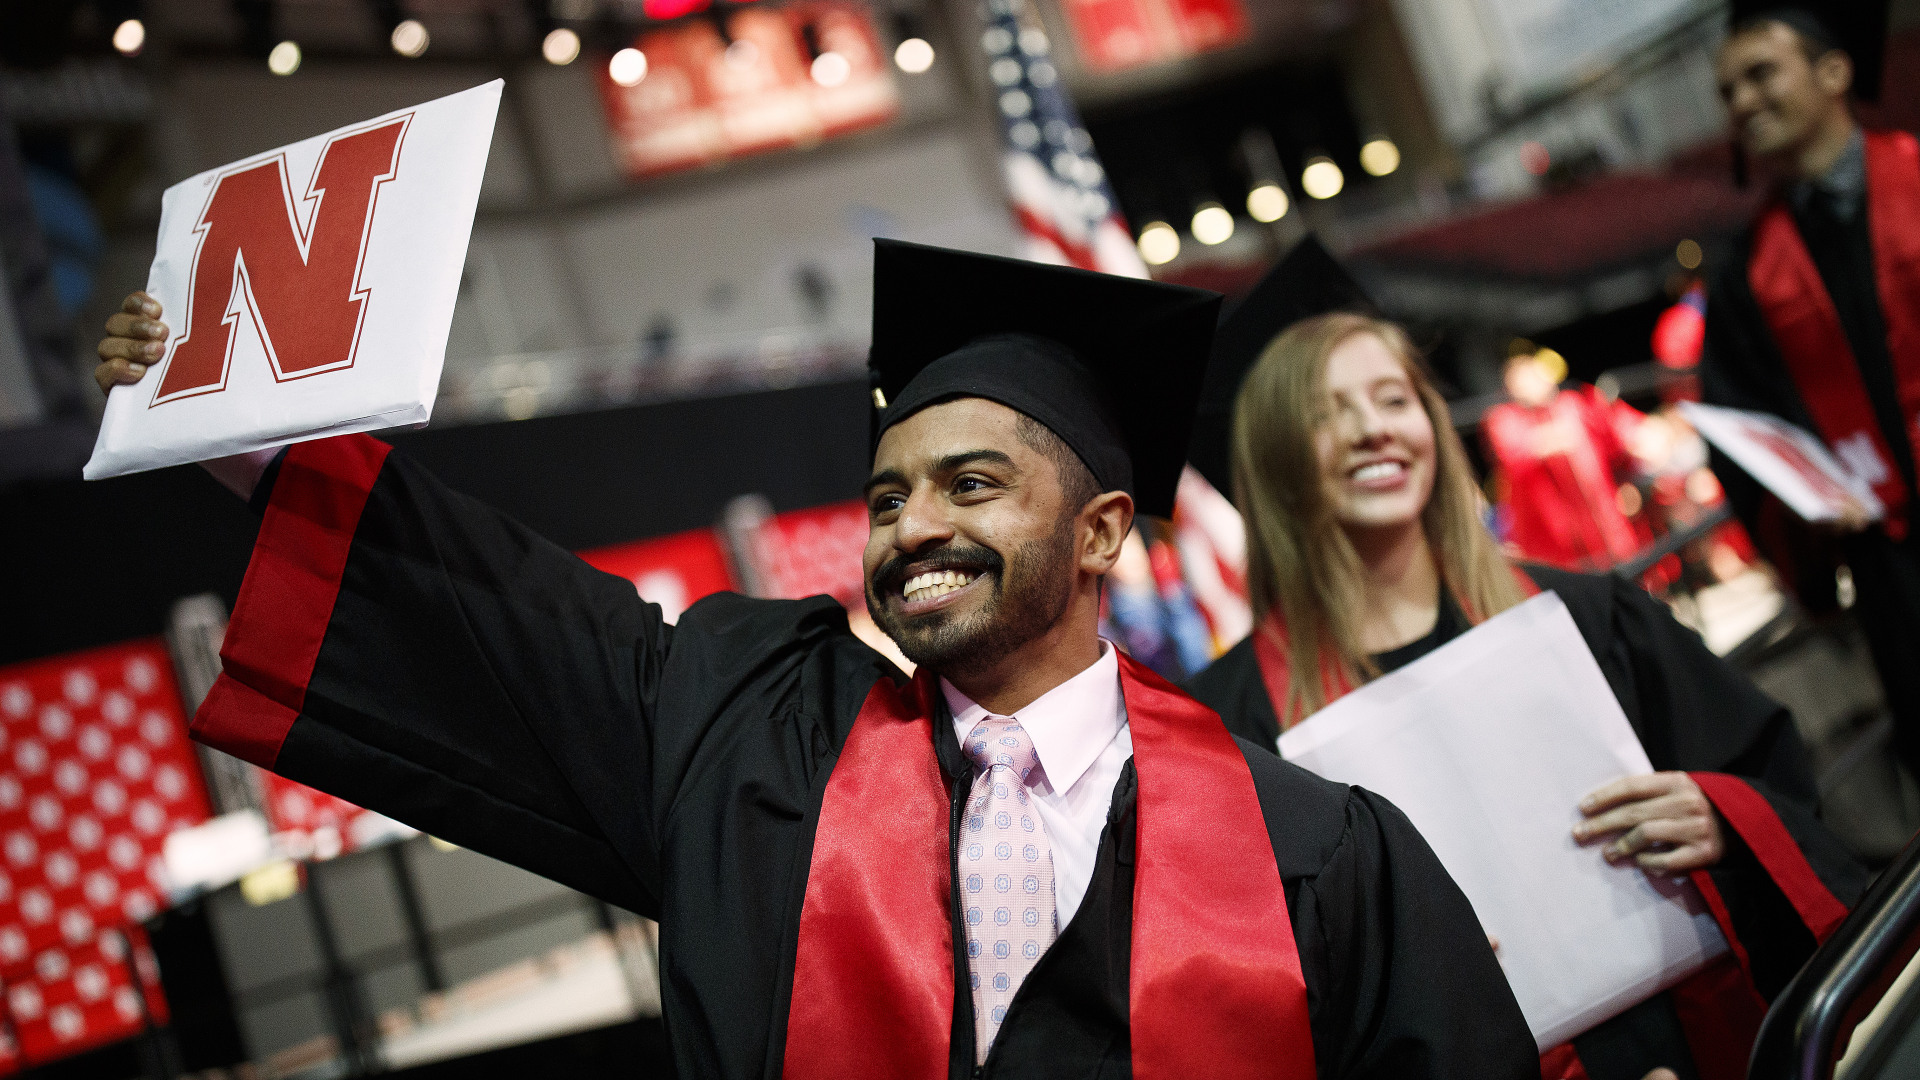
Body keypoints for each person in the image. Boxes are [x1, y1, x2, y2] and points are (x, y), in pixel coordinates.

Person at [94, 240, 1537, 1079]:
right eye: (890, 496)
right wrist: (250, 444)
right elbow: (512, 615)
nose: (914, 528)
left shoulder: (1317, 847)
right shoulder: (757, 748)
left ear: (1102, 531)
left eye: (972, 484)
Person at [1182, 301, 1867, 1080]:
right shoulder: (1230, 725)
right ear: (1276, 457)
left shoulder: (1585, 615)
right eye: (1326, 413)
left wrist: (1724, 819)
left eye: (1394, 399)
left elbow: (1773, 783)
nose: (1374, 429)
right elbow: (1251, 990)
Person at [1698, 1, 1920, 779]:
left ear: (1834, 71)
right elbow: (1740, 432)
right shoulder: (1746, 281)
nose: (1741, 102)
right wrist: (1810, 507)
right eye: (1728, 90)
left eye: (1761, 74)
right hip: (1900, 581)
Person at [1483, 348, 1654, 572]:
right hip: (1555, 544)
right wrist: (1554, 438)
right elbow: (1516, 454)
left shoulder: (1572, 405)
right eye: (1522, 379)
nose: (1531, 384)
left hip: (1606, 528)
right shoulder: (1504, 420)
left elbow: (1617, 434)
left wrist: (1642, 435)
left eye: (1535, 375)